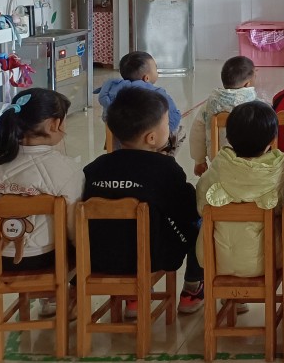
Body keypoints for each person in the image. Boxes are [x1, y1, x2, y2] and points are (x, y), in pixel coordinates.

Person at [83, 86, 205, 316]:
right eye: (167, 122)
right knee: (201, 223)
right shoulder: (165, 169)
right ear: (151, 138)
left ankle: (133, 297)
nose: (170, 127)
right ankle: (193, 287)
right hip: (152, 257)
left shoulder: (95, 168)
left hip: (98, 258)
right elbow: (188, 211)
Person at [0, 89, 83, 318]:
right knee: (81, 240)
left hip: (3, 260)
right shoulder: (66, 169)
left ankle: (48, 298)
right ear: (54, 125)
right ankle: (58, 297)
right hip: (47, 260)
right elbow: (73, 229)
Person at [195, 101, 284, 280]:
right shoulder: (280, 172)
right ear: (272, 140)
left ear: (229, 138)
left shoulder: (217, 169)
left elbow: (201, 205)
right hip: (270, 259)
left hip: (216, 260)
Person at [97, 51, 183, 152]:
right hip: (150, 143)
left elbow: (107, 118)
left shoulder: (112, 89)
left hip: (121, 141)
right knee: (181, 132)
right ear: (146, 78)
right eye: (156, 68)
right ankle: (164, 154)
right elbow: (173, 120)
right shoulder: (157, 94)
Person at [190, 56, 257, 175]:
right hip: (251, 163)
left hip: (218, 161)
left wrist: (199, 160)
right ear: (248, 84)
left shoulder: (210, 104)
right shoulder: (256, 105)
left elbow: (197, 132)